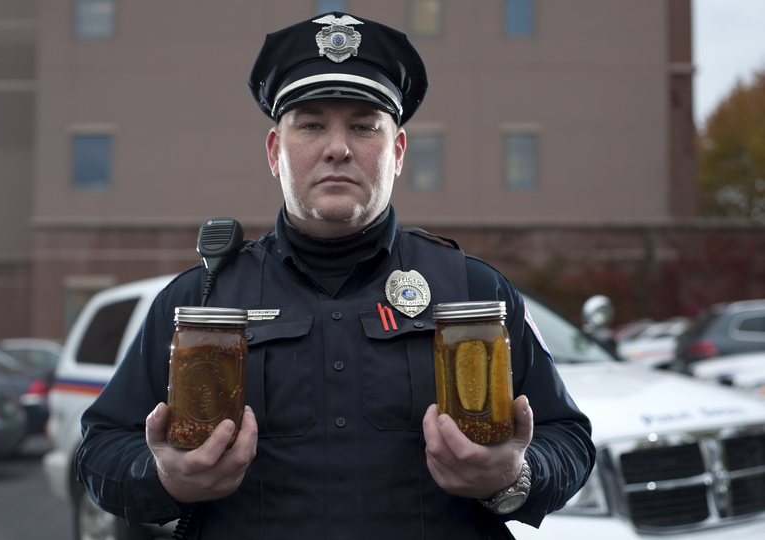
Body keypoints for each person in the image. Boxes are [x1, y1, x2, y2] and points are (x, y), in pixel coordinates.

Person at [76, 12, 595, 539]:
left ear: (397, 153)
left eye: (364, 125)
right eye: (312, 124)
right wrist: (168, 479)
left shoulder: (473, 291)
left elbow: (567, 437)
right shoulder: (202, 300)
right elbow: (101, 450)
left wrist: (512, 477)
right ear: (277, 152)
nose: (338, 147)